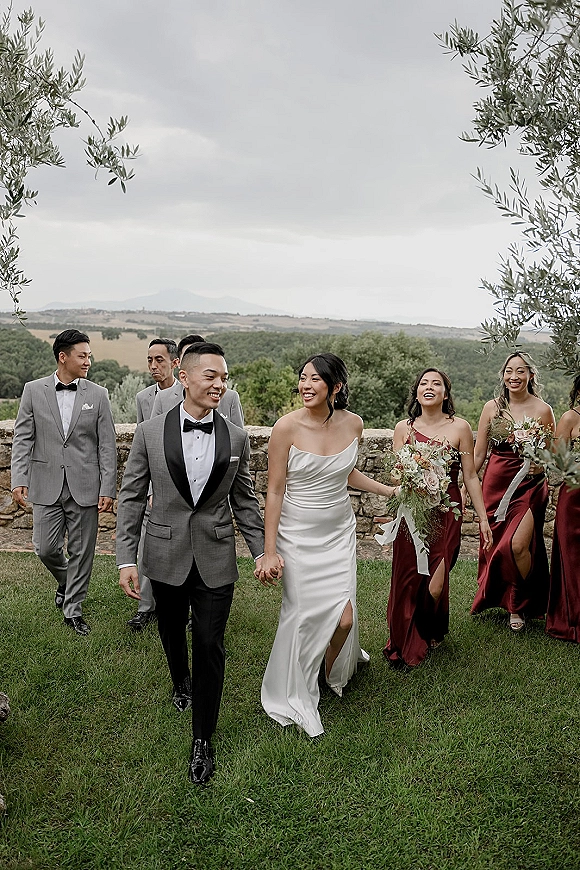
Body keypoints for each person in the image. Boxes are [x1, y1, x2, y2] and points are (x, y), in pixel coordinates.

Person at [115, 342, 280, 785]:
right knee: (170, 629)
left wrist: (262, 550)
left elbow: (244, 500)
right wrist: (125, 558)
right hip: (164, 554)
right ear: (184, 377)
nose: (219, 384)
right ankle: (179, 681)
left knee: (210, 643)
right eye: (211, 376)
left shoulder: (236, 437)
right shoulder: (150, 432)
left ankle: (202, 739)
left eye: (224, 377)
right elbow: (131, 496)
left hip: (215, 556)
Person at [258, 353, 398, 738]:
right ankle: (296, 688)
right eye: (302, 378)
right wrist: (270, 551)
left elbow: (344, 469)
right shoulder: (285, 428)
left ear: (335, 387)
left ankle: (325, 671)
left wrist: (388, 490)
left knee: (346, 618)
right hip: (296, 536)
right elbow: (274, 490)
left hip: (338, 534)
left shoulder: (354, 424)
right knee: (303, 617)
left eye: (314, 379)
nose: (305, 385)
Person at [383, 369, 492, 668]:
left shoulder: (460, 428)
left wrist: (483, 519)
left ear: (446, 393)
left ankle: (430, 626)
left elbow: (469, 475)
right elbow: (396, 474)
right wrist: (410, 477)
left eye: (436, 384)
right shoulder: (402, 428)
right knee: (409, 578)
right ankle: (407, 637)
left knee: (436, 584)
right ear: (416, 392)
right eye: (423, 383)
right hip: (413, 512)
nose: (429, 387)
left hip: (446, 513)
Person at [11, 329, 117, 636]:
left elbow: (107, 445)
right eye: (82, 356)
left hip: (86, 485)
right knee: (44, 548)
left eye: (89, 356)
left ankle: (73, 610)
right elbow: (23, 439)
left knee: (83, 550)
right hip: (45, 482)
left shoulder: (98, 394)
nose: (88, 361)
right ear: (63, 357)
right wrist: (19, 477)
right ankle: (66, 581)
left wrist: (107, 487)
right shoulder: (33, 390)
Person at [471, 352, 555, 631]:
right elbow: (480, 452)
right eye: (509, 371)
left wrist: (540, 465)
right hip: (496, 484)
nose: (514, 376)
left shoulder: (543, 410)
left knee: (518, 545)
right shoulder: (491, 408)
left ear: (531, 375)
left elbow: (553, 454)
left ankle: (520, 603)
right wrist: (465, 484)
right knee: (497, 545)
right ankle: (508, 601)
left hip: (529, 486)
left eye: (520, 371)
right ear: (503, 375)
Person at [127, 338, 180, 631]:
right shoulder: (143, 398)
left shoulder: (189, 394)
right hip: (152, 491)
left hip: (184, 489)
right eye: (149, 360)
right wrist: (147, 490)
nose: (153, 366)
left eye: (159, 360)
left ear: (175, 363)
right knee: (146, 550)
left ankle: (182, 608)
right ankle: (146, 607)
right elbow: (142, 449)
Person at [546, 374, 580, 643]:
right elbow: (558, 461)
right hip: (574, 499)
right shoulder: (570, 418)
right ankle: (571, 621)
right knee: (571, 557)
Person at [151, 334, 244, 426]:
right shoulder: (162, 398)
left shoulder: (230, 398)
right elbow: (154, 434)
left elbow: (237, 437)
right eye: (189, 355)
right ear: (179, 363)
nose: (219, 385)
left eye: (224, 379)